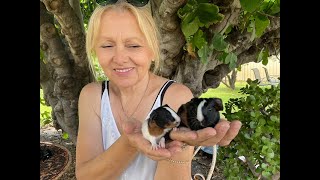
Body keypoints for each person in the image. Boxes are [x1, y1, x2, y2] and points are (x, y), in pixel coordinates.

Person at [75, 1, 242, 179]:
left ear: (153, 50)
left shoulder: (175, 96)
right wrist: (130, 144)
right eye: (107, 45)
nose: (120, 58)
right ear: (94, 50)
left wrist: (179, 143)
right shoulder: (91, 96)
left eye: (133, 45)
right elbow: (86, 175)